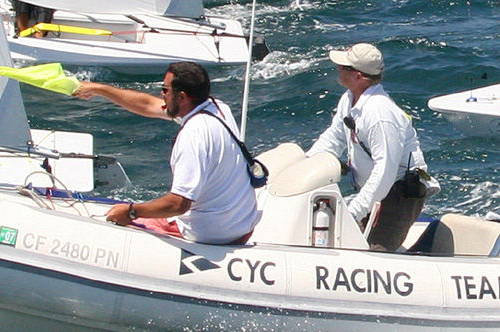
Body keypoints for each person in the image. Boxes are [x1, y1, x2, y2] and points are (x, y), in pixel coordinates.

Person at [73, 61, 260, 245]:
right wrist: (99, 89)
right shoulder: (217, 108)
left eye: (165, 90)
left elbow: (178, 204)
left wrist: (131, 211)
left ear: (182, 97)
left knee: (111, 224)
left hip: (211, 233)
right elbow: (147, 105)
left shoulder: (193, 136)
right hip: (242, 224)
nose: (161, 95)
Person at [305, 43, 438, 251]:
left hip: (397, 195)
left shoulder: (380, 115)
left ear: (358, 76)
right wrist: (306, 164)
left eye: (343, 67)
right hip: (373, 192)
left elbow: (385, 173)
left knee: (375, 253)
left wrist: (355, 211)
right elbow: (334, 137)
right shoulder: (349, 100)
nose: (338, 69)